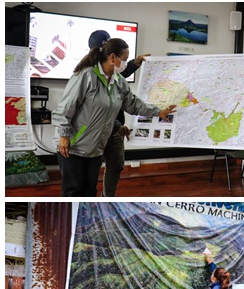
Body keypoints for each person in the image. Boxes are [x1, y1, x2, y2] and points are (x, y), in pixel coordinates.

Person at [52, 38, 176, 196]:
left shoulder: (119, 82)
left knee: (90, 191)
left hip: (95, 149)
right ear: (112, 58)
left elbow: (133, 104)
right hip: (73, 146)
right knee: (73, 190)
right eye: (124, 59)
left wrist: (158, 111)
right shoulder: (86, 76)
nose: (125, 63)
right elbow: (65, 108)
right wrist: (63, 135)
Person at [88, 30, 151, 197]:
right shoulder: (88, 74)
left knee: (115, 165)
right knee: (91, 168)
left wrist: (135, 63)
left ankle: (108, 198)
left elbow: (120, 75)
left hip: (116, 128)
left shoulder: (114, 74)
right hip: (94, 131)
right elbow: (94, 109)